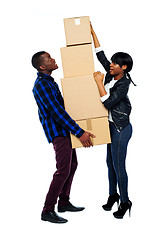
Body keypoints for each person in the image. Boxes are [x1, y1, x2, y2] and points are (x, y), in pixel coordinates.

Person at [32, 51, 95, 224]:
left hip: (65, 130)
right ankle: (47, 210)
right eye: (49, 59)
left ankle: (64, 203)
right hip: (59, 132)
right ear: (42, 66)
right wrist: (79, 132)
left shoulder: (50, 83)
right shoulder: (42, 85)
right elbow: (57, 112)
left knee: (72, 165)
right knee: (62, 170)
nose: (54, 60)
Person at [91, 23, 136, 219]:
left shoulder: (123, 83)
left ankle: (125, 201)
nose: (111, 65)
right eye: (112, 63)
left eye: (115, 63)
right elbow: (101, 56)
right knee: (110, 163)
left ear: (123, 67)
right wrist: (92, 33)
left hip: (120, 128)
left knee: (119, 165)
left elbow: (108, 103)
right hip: (109, 126)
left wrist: (99, 83)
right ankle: (113, 195)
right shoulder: (112, 74)